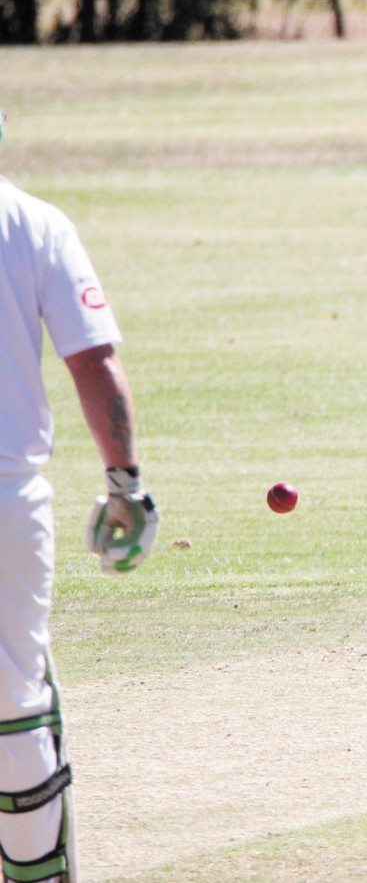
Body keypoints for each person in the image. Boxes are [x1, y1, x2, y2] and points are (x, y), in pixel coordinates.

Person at [0, 104, 159, 880]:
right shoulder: (34, 223)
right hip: (6, 500)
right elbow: (95, 364)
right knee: (14, 697)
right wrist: (126, 483)